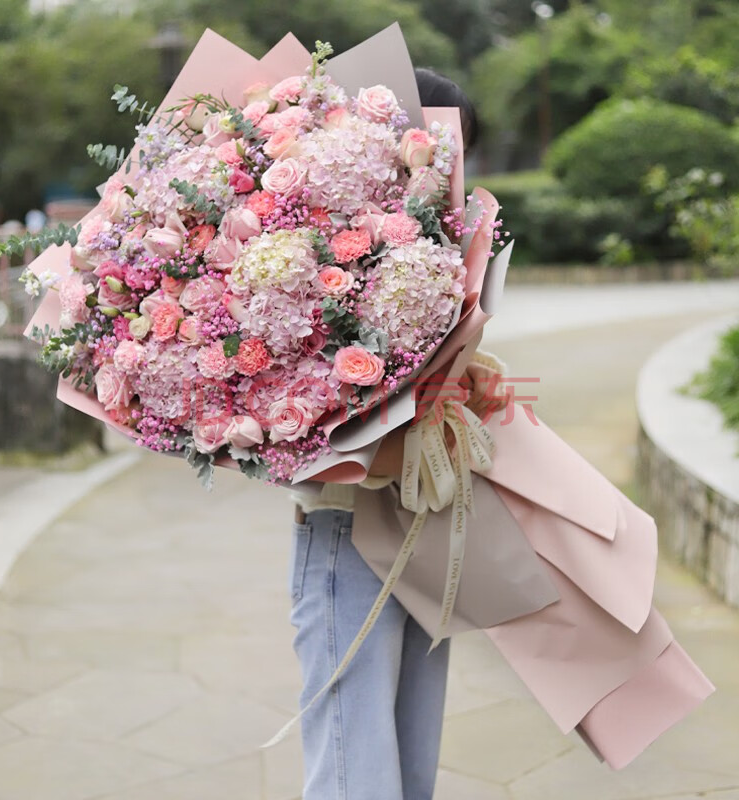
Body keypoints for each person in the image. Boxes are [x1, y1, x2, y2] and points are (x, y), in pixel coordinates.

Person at [286, 67, 501, 800]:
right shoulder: (311, 246)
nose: (445, 170)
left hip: (425, 518)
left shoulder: (436, 246)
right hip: (348, 525)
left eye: (457, 152)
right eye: (435, 148)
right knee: (355, 759)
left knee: (410, 755)